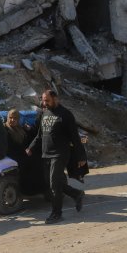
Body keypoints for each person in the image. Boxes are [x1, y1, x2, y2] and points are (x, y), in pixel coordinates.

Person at [26, 89, 86, 224]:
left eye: (47, 100)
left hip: (60, 154)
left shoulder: (66, 114)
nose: (44, 103)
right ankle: (76, 194)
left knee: (54, 184)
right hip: (46, 153)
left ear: (55, 99)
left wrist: (81, 156)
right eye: (43, 100)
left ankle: (56, 213)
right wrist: (31, 147)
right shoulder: (44, 113)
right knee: (52, 183)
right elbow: (40, 135)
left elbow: (75, 137)